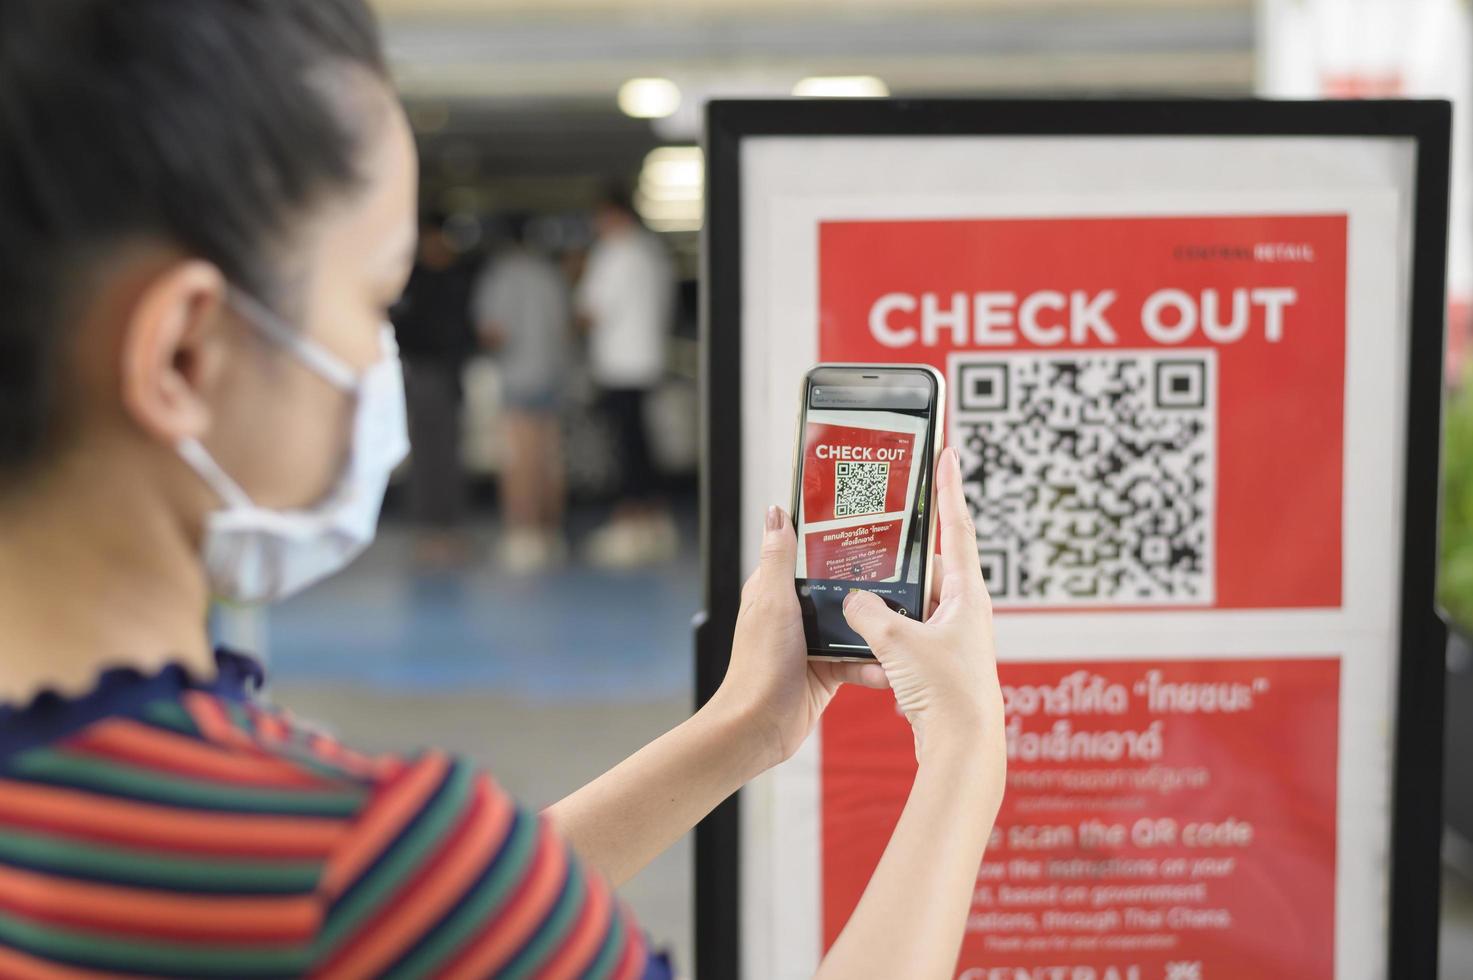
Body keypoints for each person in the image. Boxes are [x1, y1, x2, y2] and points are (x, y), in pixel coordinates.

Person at [0, 2, 1006, 978]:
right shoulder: (348, 866)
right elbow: (405, 909)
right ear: (185, 354)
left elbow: (423, 926)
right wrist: (964, 754)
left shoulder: (275, 865)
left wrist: (742, 727)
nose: (380, 355)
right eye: (375, 297)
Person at [576, 187, 678, 569]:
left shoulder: (614, 253)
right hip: (648, 361)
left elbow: (591, 310)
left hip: (619, 365)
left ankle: (630, 524)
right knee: (642, 443)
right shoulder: (652, 253)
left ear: (613, 215)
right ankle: (653, 520)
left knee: (625, 445)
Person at [475, 214, 573, 574]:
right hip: (553, 373)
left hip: (517, 375)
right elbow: (567, 327)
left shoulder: (501, 275)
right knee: (550, 456)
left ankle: (523, 536)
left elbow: (493, 330)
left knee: (519, 458)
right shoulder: (551, 275)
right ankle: (551, 535)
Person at [393, 214, 476, 569]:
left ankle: (450, 529)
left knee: (449, 456)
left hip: (450, 376)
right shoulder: (414, 282)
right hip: (424, 375)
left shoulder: (457, 280)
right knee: (428, 458)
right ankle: (429, 532)